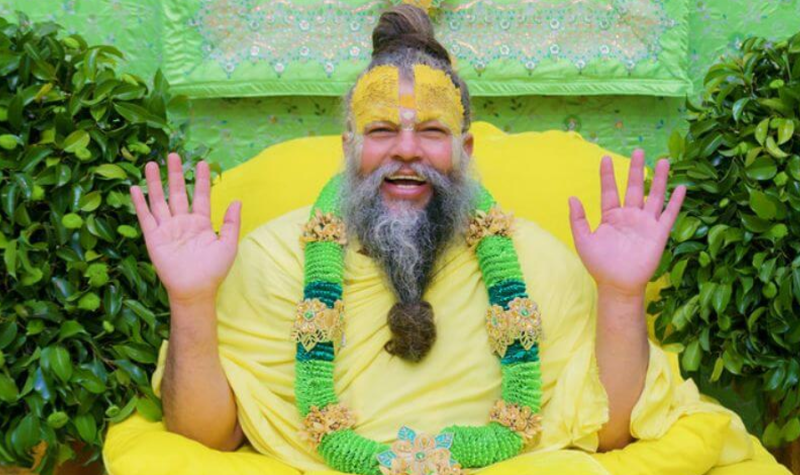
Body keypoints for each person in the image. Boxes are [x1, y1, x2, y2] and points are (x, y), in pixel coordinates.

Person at [122, 5, 777, 475]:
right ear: (348, 147)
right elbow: (206, 438)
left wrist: (623, 293)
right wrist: (191, 300)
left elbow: (610, 431)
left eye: (432, 132)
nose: (406, 150)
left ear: (465, 150)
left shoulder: (536, 261)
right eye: (382, 130)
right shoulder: (270, 260)